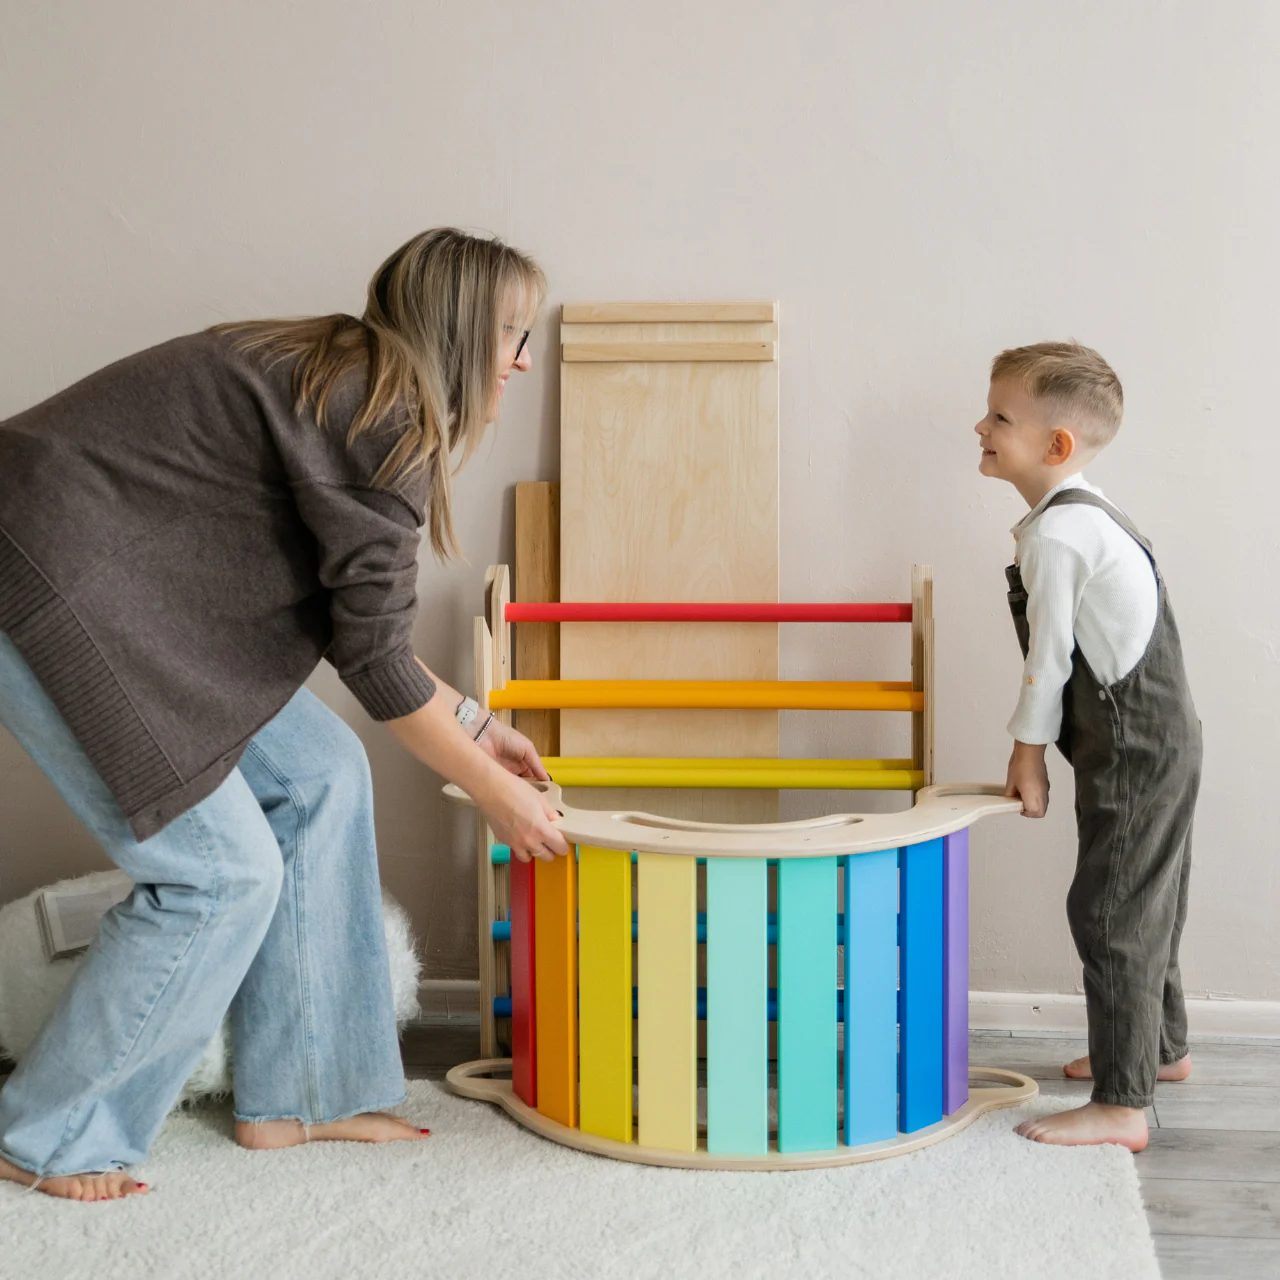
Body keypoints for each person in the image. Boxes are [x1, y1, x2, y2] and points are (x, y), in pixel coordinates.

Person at [0, 227, 568, 1202]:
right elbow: (377, 662)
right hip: (47, 587)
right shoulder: (379, 414)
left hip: (125, 602)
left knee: (321, 771)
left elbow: (372, 639)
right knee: (218, 875)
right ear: (463, 330)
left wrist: (473, 726)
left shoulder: (345, 376)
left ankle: (300, 1090)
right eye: (512, 337)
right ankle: (50, 1133)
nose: (521, 362)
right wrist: (497, 799)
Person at [975, 341, 1201, 1151]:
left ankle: (1123, 1103)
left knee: (1111, 911)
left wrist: (1026, 754)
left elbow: (1050, 661)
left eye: (1000, 416)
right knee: (1148, 901)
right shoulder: (1083, 515)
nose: (982, 425)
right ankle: (1158, 1049)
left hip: (1137, 748)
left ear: (1055, 445)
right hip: (1159, 739)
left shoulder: (1060, 537)